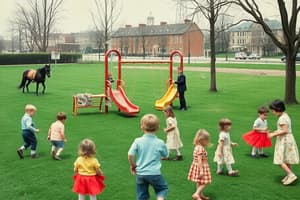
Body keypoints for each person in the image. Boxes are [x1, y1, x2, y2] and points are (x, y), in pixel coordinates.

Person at [128, 114, 168, 200]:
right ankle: (160, 198)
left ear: (141, 127)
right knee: (162, 188)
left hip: (141, 174)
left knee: (142, 195)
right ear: (157, 128)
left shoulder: (137, 141)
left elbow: (130, 154)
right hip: (155, 173)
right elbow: (165, 154)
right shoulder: (160, 142)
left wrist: (132, 165)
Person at [268, 99, 299, 185]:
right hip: (288, 139)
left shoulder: (282, 118)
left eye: (273, 110)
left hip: (284, 140)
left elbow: (284, 130)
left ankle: (291, 175)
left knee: (279, 159)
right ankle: (288, 175)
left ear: (278, 109)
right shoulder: (285, 116)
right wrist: (274, 132)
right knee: (286, 158)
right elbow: (282, 129)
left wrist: (272, 135)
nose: (272, 112)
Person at [188, 129, 212, 200]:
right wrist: (201, 171)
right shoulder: (200, 148)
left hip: (196, 166)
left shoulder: (197, 147)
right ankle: (196, 194)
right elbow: (199, 159)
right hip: (201, 166)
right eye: (207, 140)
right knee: (206, 182)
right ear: (201, 140)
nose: (208, 142)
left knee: (199, 181)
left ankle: (200, 194)